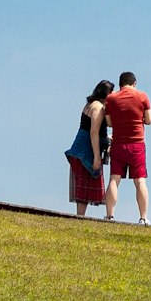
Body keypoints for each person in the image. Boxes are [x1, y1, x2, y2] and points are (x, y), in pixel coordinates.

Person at [104, 71, 151, 224]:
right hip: (137, 144)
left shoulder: (111, 99)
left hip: (118, 144)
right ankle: (143, 217)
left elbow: (110, 123)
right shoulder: (142, 96)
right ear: (134, 83)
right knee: (140, 182)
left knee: (114, 179)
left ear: (120, 84)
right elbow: (149, 120)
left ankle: (110, 216)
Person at [65, 80, 114, 216]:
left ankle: (80, 216)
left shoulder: (89, 104)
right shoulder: (98, 107)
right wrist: (97, 157)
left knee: (83, 187)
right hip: (86, 150)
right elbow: (93, 132)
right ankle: (80, 217)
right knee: (84, 187)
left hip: (80, 147)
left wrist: (106, 137)